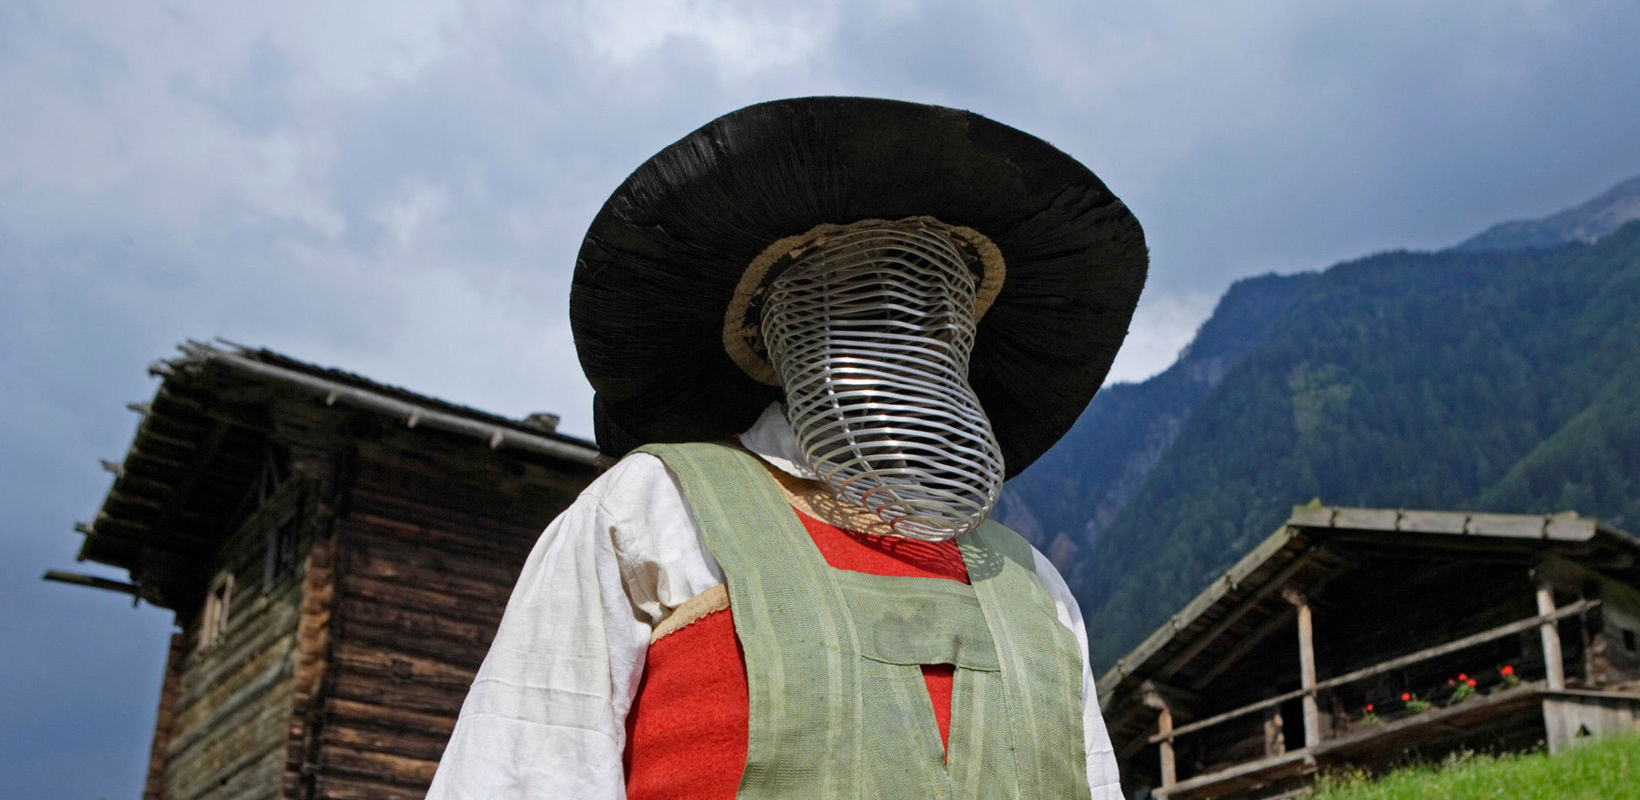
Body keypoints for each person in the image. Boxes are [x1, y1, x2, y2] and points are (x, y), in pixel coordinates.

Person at [426, 97, 1148, 800]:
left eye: (934, 311)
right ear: (782, 330)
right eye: (862, 298)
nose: (905, 330)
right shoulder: (655, 511)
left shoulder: (1033, 587)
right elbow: (525, 769)